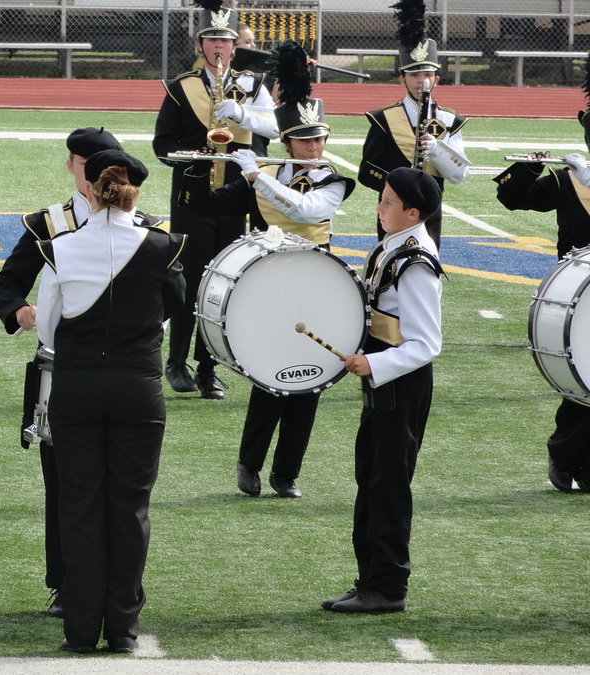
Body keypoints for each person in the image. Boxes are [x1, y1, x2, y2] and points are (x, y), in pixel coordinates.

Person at [0, 126, 158, 618]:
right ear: (72, 167)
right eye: (88, 164)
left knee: (121, 488)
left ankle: (117, 588)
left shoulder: (142, 226)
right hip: (63, 371)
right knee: (65, 484)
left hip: (120, 370)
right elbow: (7, 284)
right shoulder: (48, 224)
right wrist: (19, 312)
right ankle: (68, 582)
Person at [185, 42, 355, 499]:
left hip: (319, 287)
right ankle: (250, 465)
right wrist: (208, 166)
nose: (315, 147)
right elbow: (207, 209)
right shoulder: (265, 169)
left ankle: (287, 473)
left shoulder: (332, 180)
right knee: (269, 377)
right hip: (267, 288)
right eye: (305, 140)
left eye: (319, 139)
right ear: (288, 142)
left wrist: (257, 176)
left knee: (311, 379)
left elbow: (305, 210)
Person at [35, 149, 186, 654]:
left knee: (78, 508)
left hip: (77, 388)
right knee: (130, 509)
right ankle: (122, 630)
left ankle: (79, 631)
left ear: (92, 191)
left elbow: (50, 329)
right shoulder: (163, 246)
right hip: (138, 388)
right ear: (133, 194)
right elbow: (173, 309)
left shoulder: (60, 248)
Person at [323, 166, 443, 614]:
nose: (379, 208)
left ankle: (388, 587)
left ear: (413, 213)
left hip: (401, 387)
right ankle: (371, 579)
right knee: (371, 481)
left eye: (388, 202)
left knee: (388, 487)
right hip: (384, 385)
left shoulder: (415, 263)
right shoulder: (390, 248)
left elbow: (427, 344)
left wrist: (371, 362)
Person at [153, 0, 277, 398]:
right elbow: (161, 145)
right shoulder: (181, 86)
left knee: (221, 282)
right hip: (193, 194)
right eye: (212, 40)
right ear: (201, 45)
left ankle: (210, 369)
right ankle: (176, 361)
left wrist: (241, 116)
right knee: (188, 280)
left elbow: (273, 127)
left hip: (234, 196)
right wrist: (193, 156)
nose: (218, 47)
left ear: (234, 45)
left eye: (225, 39)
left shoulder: (252, 85)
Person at [494, 76, 590, 493]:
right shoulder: (569, 180)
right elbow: (512, 197)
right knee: (584, 378)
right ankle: (565, 454)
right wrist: (530, 165)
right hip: (582, 298)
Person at [357, 0, 468, 250]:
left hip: (429, 211)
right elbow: (367, 171)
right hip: (393, 210)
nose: (421, 81)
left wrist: (437, 150)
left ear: (437, 78)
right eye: (414, 75)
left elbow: (458, 174)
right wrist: (398, 188)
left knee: (426, 264)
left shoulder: (449, 120)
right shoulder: (384, 118)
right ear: (402, 79)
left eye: (427, 75)